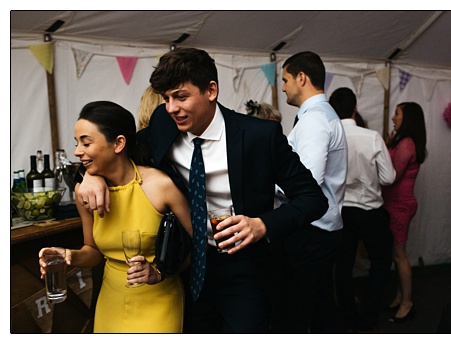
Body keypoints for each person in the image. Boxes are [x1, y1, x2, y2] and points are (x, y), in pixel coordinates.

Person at [74, 47, 329, 333]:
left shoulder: (260, 136)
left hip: (243, 266)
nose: (172, 107)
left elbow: (314, 199)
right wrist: (87, 175)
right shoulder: (163, 123)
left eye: (181, 97)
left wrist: (261, 225)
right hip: (187, 264)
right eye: (167, 98)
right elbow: (115, 152)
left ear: (211, 90)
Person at [40, 101, 197, 333]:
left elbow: (199, 246)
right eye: (77, 144)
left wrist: (161, 273)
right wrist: (68, 256)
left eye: (86, 142)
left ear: (119, 143)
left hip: (160, 300)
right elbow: (93, 252)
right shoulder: (83, 192)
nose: (77, 152)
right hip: (110, 299)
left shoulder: (160, 186)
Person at [274, 51, 349, 333]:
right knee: (320, 310)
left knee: (297, 312)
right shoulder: (321, 115)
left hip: (311, 233)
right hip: (321, 230)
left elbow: (306, 184)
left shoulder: (315, 120)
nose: (282, 87)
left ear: (301, 78)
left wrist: (266, 184)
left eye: (285, 80)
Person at [329, 88, 396, 332]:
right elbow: (388, 178)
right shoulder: (372, 136)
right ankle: (368, 316)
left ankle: (348, 317)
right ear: (355, 108)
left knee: (343, 265)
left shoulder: (329, 137)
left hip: (342, 210)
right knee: (380, 261)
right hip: (369, 210)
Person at [384, 102, 427, 324]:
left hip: (400, 206)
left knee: (400, 255)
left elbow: (391, 176)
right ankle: (400, 295)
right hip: (394, 204)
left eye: (397, 114)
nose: (393, 118)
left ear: (407, 118)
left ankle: (407, 304)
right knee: (396, 253)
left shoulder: (407, 145)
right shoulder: (403, 142)